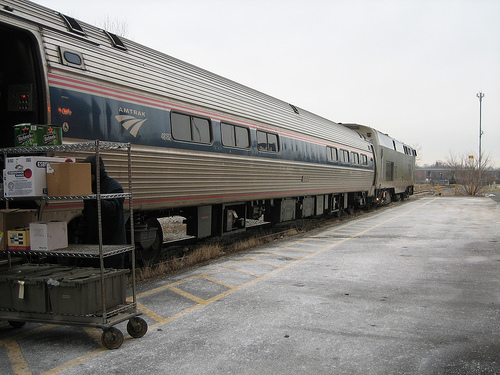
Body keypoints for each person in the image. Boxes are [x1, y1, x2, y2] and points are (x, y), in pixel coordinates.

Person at [76, 155, 127, 268]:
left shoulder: (114, 187)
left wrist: (96, 199)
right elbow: (86, 214)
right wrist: (79, 235)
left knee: (112, 278)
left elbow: (112, 209)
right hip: (93, 244)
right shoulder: (90, 188)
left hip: (112, 245)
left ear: (95, 173)